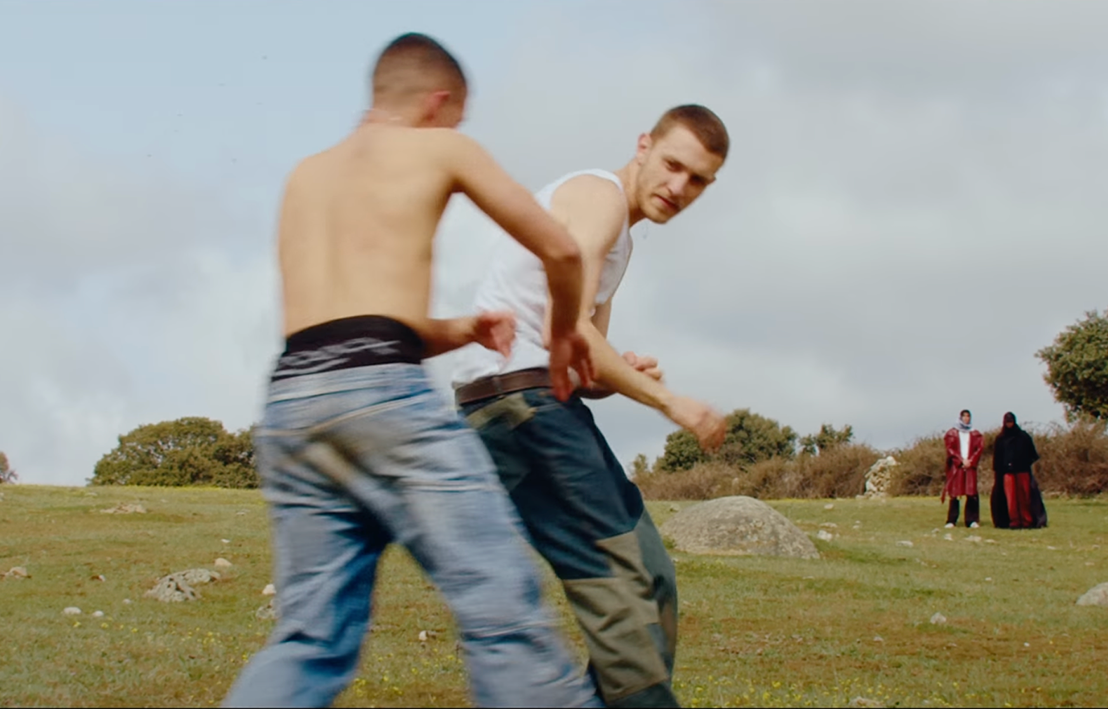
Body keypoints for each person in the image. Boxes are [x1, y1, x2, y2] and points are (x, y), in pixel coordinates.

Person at [221, 32, 603, 708]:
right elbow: (563, 251)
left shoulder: (307, 174)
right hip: (385, 402)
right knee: (501, 605)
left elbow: (346, 329)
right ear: (438, 102)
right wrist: (567, 331)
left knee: (309, 637)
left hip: (292, 404)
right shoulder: (441, 147)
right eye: (456, 118)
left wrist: (464, 329)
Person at [442, 105, 731, 708]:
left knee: (647, 574)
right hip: (521, 402)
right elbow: (567, 329)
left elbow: (579, 363)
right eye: (672, 165)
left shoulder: (618, 238)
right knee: (627, 580)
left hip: (512, 405)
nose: (679, 187)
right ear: (644, 145)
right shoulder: (599, 199)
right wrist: (669, 401)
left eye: (698, 180)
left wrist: (619, 374)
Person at [990, 411, 1048, 529]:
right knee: (1010, 498)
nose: (1009, 424)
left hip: (1023, 471)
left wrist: (1023, 463)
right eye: (1007, 422)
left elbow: (1032, 455)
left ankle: (1027, 520)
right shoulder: (1001, 439)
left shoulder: (1023, 437)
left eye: (1011, 422)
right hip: (1007, 473)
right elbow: (997, 459)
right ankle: (1014, 520)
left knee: (1025, 496)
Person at [943, 409, 983, 528]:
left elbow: (979, 449)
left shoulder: (975, 433)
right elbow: (950, 449)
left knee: (971, 493)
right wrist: (960, 460)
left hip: (970, 466)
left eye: (968, 416)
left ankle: (971, 520)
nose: (966, 419)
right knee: (955, 493)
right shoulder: (952, 433)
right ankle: (952, 520)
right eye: (964, 416)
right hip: (957, 467)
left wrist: (971, 461)